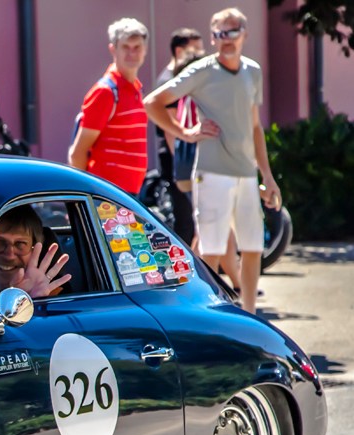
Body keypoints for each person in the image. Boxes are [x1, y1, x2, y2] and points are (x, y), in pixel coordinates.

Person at [144, 7, 282, 314]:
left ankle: (249, 315)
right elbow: (153, 103)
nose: (225, 39)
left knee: (252, 248)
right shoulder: (201, 70)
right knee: (211, 251)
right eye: (218, 34)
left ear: (244, 34)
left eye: (231, 32)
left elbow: (255, 126)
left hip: (246, 174)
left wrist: (267, 177)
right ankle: (204, 314)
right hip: (211, 173)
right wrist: (186, 133)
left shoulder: (252, 71)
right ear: (212, 38)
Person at [68, 18, 150, 195]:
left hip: (127, 195)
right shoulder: (106, 92)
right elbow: (78, 152)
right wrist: (83, 198)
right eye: (125, 47)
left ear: (145, 50)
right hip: (106, 196)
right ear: (113, 49)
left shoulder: (136, 88)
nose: (131, 54)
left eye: (137, 47)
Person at [155, 28, 205, 245]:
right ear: (179, 50)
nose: (200, 54)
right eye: (195, 49)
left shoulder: (179, 78)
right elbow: (170, 128)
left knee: (193, 221)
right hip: (179, 161)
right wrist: (183, 163)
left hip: (183, 159)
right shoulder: (170, 81)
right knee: (185, 221)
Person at [0, 205, 70, 302]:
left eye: (20, 244)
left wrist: (33, 301)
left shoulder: (53, 294)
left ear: (34, 250)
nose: (9, 256)